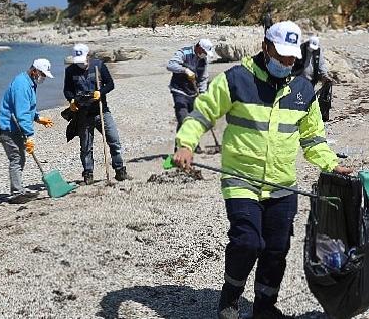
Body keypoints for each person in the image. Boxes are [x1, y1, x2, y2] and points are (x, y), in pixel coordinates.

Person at [172, 21, 352, 319]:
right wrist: (186, 144)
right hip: (242, 180)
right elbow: (203, 112)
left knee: (276, 249)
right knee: (247, 242)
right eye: (280, 56)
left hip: (283, 184)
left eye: (291, 57)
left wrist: (331, 165)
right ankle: (229, 299)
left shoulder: (303, 89)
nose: (286, 63)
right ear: (265, 46)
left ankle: (265, 307)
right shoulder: (236, 79)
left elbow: (313, 138)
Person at [64, 43, 129, 185]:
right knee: (86, 147)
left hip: (101, 111)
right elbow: (67, 90)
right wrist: (71, 100)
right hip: (83, 113)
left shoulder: (98, 66)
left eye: (82, 60)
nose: (80, 64)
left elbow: (110, 84)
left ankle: (119, 171)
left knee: (114, 141)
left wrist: (101, 92)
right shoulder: (70, 71)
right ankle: (88, 174)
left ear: (88, 56)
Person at [0, 58, 55, 204]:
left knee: (20, 158)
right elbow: (21, 113)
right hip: (8, 128)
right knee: (16, 158)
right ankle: (16, 193)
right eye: (42, 74)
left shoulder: (29, 83)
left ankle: (18, 189)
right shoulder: (21, 85)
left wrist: (37, 117)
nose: (43, 78)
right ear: (34, 71)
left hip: (16, 127)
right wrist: (30, 135)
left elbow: (28, 107)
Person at [167, 38, 215, 152]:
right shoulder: (184, 52)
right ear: (199, 47)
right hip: (179, 90)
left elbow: (203, 78)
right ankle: (180, 148)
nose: (204, 55)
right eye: (204, 52)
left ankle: (193, 144)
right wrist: (184, 70)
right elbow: (170, 65)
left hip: (193, 92)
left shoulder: (203, 60)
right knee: (183, 118)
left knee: (194, 119)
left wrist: (203, 94)